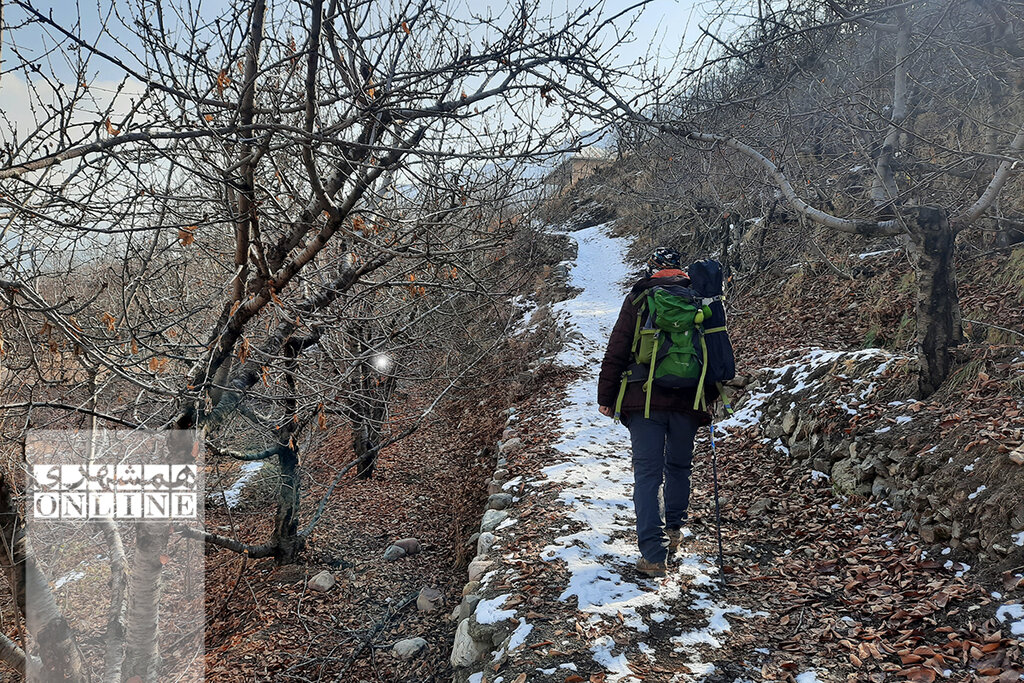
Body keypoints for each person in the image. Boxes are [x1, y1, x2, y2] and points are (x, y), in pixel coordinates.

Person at [597, 247, 711, 578]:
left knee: (648, 475)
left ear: (652, 269)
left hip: (643, 398)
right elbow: (715, 350)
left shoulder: (640, 298)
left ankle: (653, 555)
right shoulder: (700, 300)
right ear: (681, 270)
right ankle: (674, 531)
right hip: (689, 400)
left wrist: (606, 396)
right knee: (678, 467)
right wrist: (711, 397)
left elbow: (617, 347)